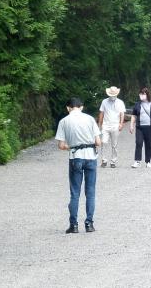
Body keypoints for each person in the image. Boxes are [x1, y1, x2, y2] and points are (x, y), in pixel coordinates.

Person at [55, 97, 101, 234]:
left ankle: (73, 225)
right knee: (90, 192)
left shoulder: (64, 121)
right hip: (91, 157)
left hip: (75, 158)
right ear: (81, 107)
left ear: (68, 108)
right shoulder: (90, 119)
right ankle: (89, 224)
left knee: (75, 193)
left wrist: (72, 146)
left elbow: (61, 145)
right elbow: (98, 142)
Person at [130, 87, 151, 168]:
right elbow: (133, 115)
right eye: (140, 94)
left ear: (147, 95)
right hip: (139, 127)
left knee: (148, 144)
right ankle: (137, 161)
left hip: (149, 127)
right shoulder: (137, 104)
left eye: (143, 94)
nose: (141, 95)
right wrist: (131, 125)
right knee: (138, 143)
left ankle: (148, 161)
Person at [98, 86, 125, 168]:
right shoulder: (104, 102)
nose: (112, 96)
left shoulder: (120, 102)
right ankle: (104, 160)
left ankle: (113, 161)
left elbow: (122, 113)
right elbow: (101, 113)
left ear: (116, 94)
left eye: (114, 94)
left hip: (115, 125)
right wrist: (100, 124)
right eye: (111, 94)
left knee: (114, 144)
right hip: (106, 125)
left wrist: (121, 123)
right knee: (104, 142)